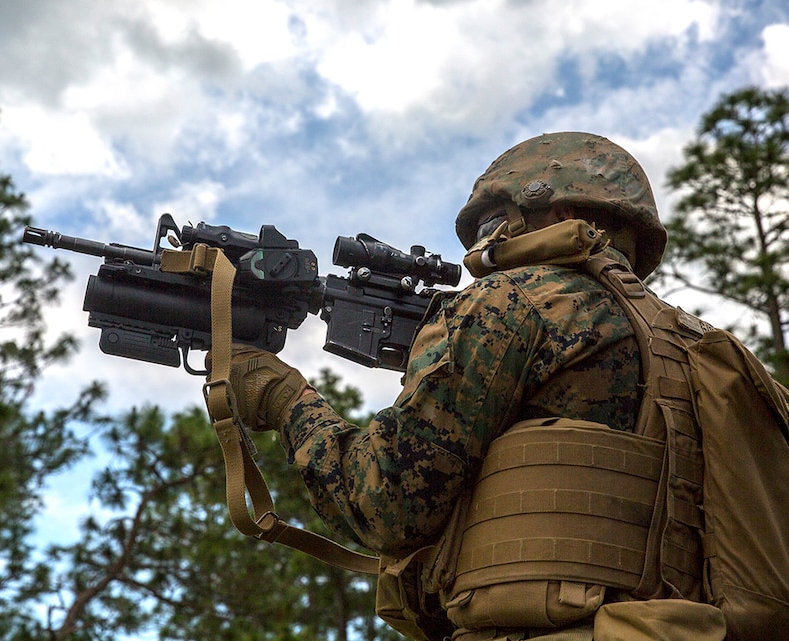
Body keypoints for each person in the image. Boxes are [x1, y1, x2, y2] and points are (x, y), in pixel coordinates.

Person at [221, 132, 726, 640]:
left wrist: (284, 399)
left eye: (493, 222)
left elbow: (387, 504)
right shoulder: (694, 350)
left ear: (556, 211)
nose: (486, 247)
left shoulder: (513, 302)